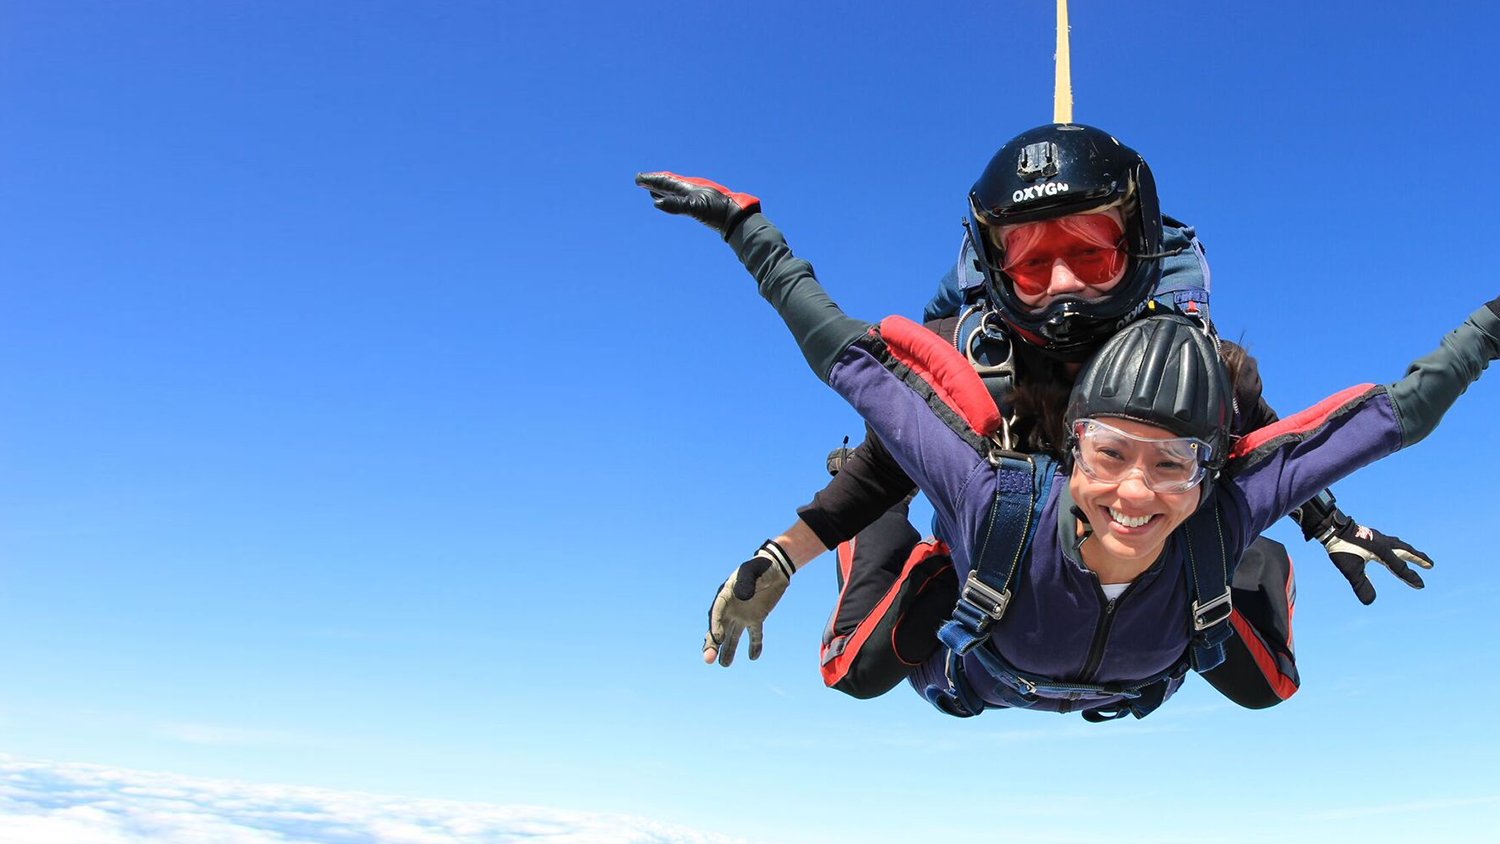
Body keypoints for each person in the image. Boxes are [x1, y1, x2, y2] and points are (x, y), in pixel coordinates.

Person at [636, 170, 1499, 719]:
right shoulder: (988, 451)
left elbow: (1306, 441)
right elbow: (854, 373)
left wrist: (1326, 521)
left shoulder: (1212, 406)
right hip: (991, 622)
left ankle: (1244, 570)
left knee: (1266, 686)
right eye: (1112, 456)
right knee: (855, 669)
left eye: (1091, 257)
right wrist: (783, 557)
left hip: (1157, 627)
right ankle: (892, 556)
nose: (1134, 492)